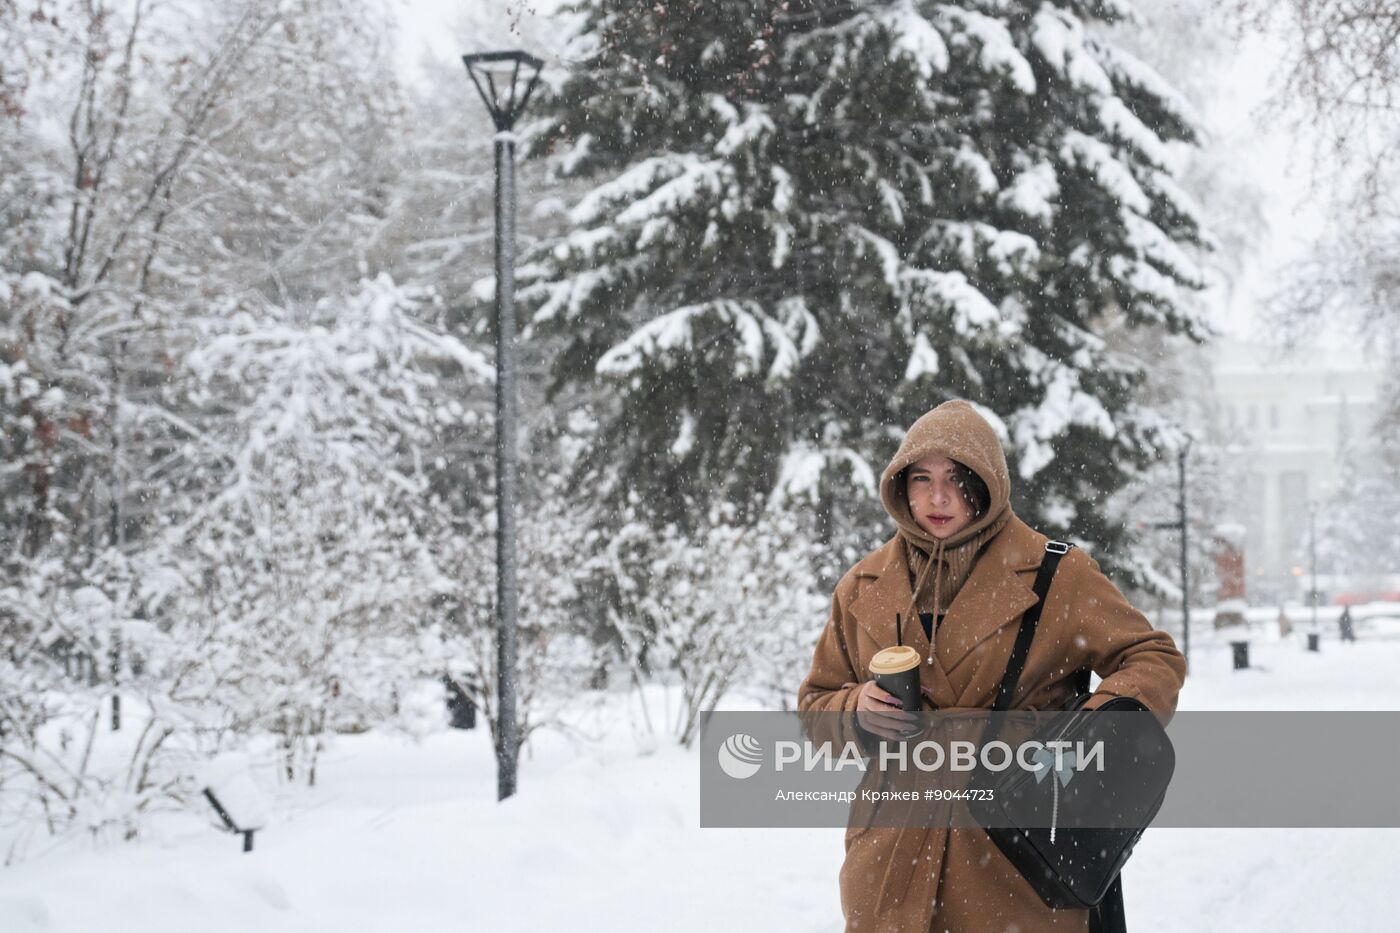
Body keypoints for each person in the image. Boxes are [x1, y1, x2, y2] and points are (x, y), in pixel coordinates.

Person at [797, 399, 1187, 932]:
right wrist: (854, 710)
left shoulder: (1057, 574)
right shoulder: (862, 585)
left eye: (958, 479)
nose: (938, 497)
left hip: (1017, 848)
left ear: (989, 484)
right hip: (890, 857)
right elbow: (816, 704)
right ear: (900, 484)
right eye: (922, 478)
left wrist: (1090, 732)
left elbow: (1152, 656)